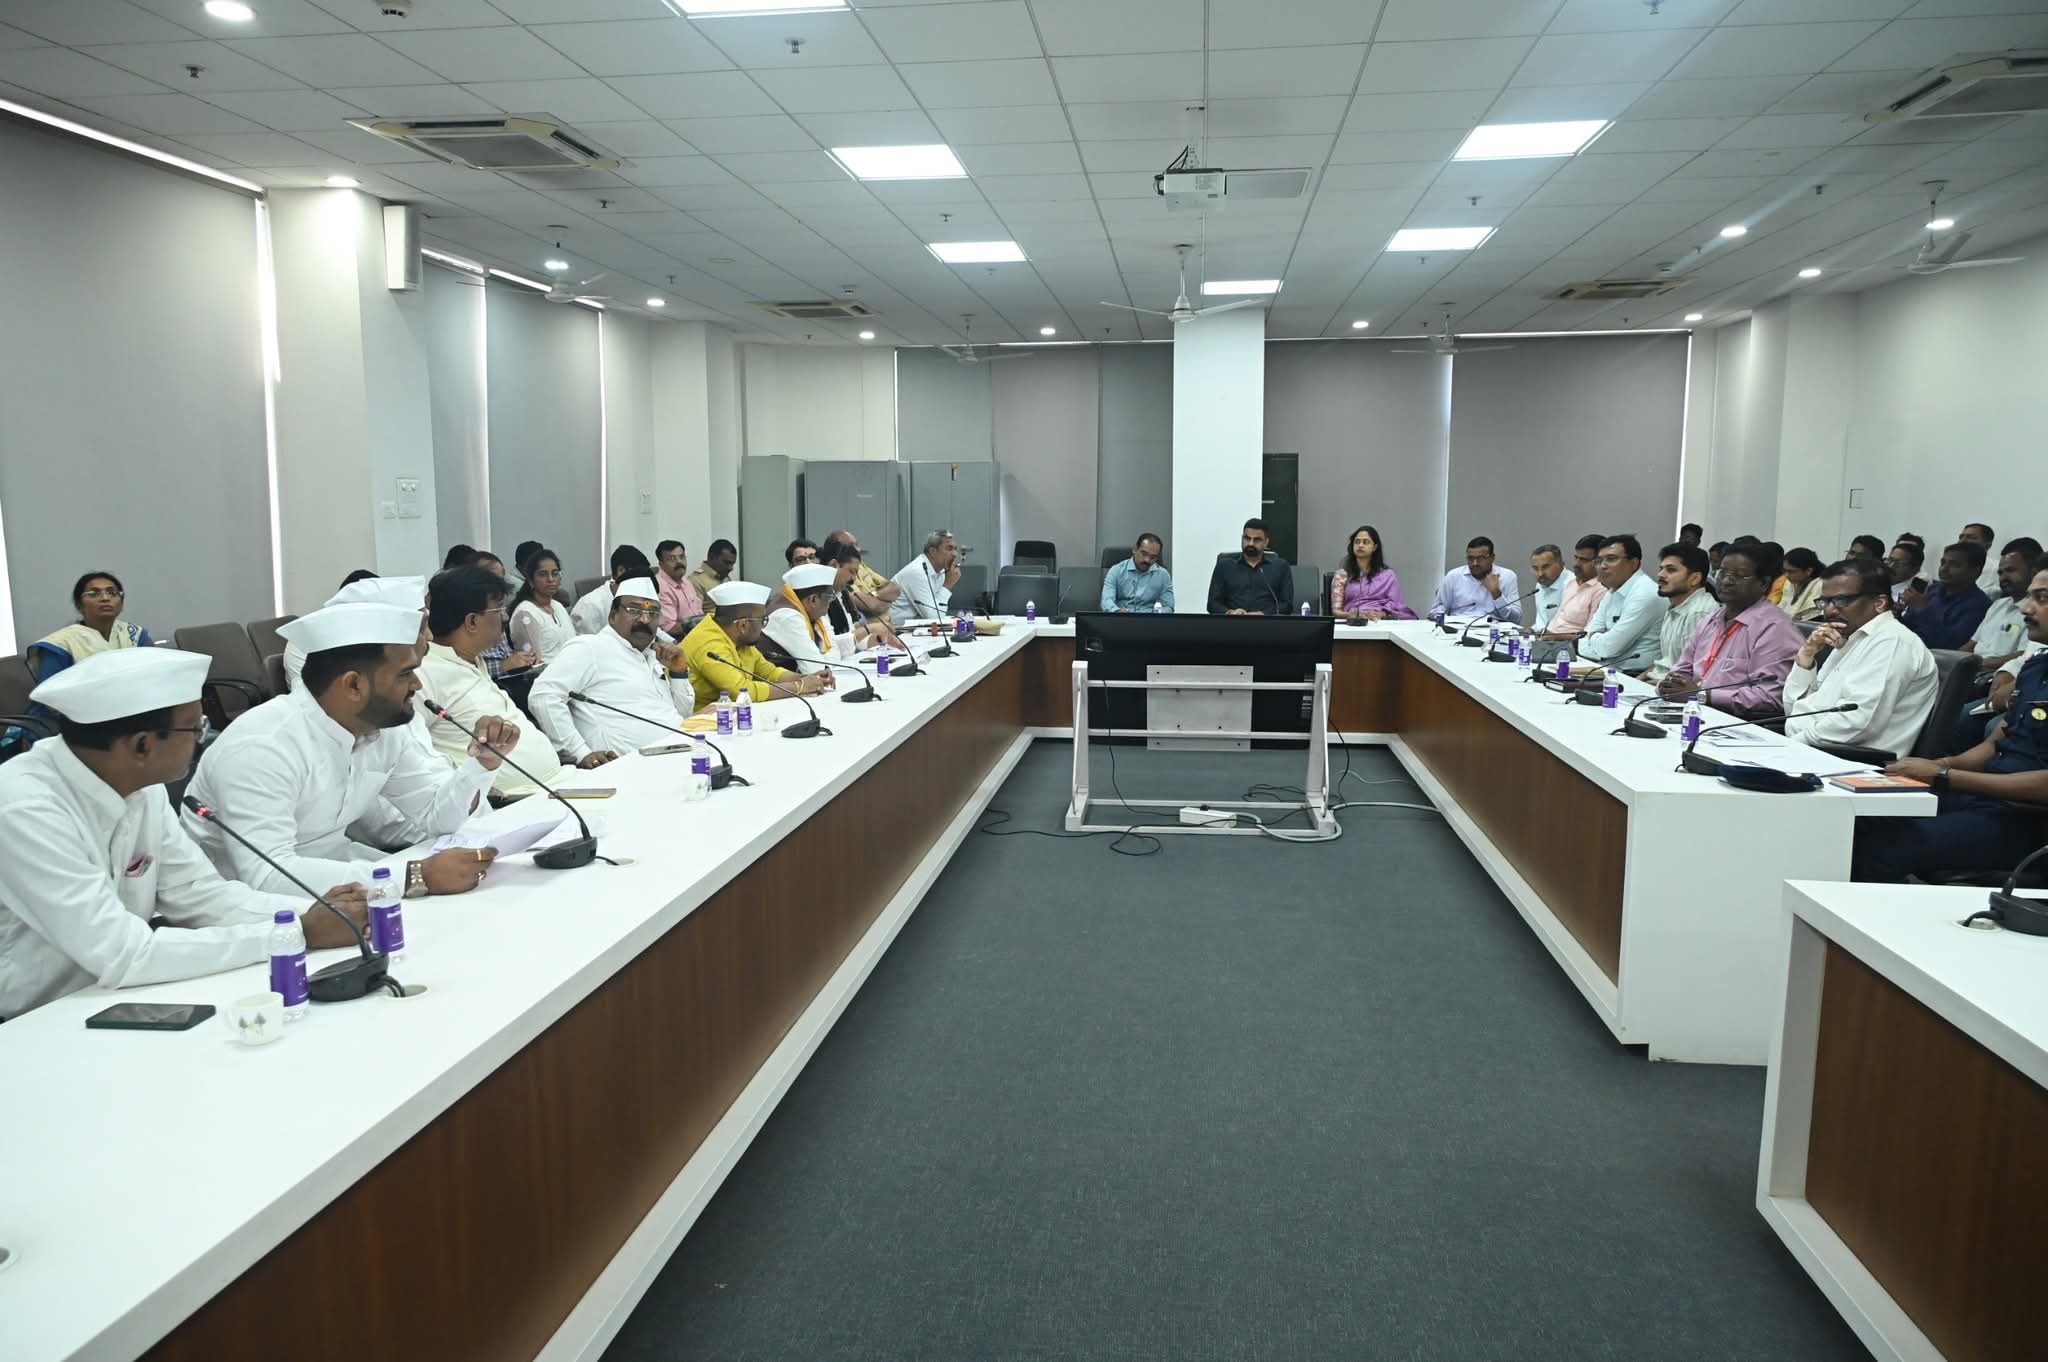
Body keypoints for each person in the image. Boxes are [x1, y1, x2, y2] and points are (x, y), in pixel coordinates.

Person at [0, 649, 372, 1019]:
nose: (202, 738)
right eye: (195, 728)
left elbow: (201, 896)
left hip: (117, 996)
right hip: (35, 1018)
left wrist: (322, 915)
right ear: (142, 745)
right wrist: (299, 932)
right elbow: (124, 954)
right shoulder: (25, 809)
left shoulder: (141, 787)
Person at [186, 603, 511, 898]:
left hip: (344, 878)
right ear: (354, 685)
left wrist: (481, 765)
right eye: (405, 674)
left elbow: (433, 818)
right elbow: (267, 874)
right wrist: (414, 876)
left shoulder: (383, 728)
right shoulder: (262, 746)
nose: (417, 684)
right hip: (253, 906)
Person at [1853, 560, 2048, 882]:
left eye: (2042, 598)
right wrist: (1939, 764)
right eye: (2030, 596)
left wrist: (1945, 776)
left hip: (2029, 820)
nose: (2026, 608)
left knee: (1880, 849)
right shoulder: (2036, 667)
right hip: (1987, 797)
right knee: (1860, 818)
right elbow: (1995, 743)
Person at [419, 565, 569, 795]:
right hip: (513, 802)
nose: (505, 617)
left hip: (558, 783)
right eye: (499, 610)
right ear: (471, 621)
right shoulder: (424, 674)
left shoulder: (472, 659)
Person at [1783, 558, 1939, 757]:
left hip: (1849, 762)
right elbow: (1794, 710)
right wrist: (1807, 655)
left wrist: (1790, 745)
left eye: (1841, 601)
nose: (1829, 610)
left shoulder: (1892, 642)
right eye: (1825, 602)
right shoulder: (1851, 637)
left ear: (1879, 603)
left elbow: (1857, 723)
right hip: (1812, 749)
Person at [529, 578, 683, 764]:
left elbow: (681, 715)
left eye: (653, 613)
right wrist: (579, 752)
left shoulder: (653, 657)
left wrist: (679, 674)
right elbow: (543, 696)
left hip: (679, 754)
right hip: (629, 767)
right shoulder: (590, 647)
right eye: (634, 610)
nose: (644, 619)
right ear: (613, 615)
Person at [1658, 543, 1803, 717]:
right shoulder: (1711, 620)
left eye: (1738, 575)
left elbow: (1770, 696)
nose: (1726, 581)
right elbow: (1682, 668)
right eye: (1723, 573)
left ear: (1763, 583)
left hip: (1736, 721)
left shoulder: (1775, 629)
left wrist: (1702, 696)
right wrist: (1670, 685)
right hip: (1694, 711)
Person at [683, 581, 828, 710]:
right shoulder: (709, 644)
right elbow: (741, 691)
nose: (763, 627)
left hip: (731, 714)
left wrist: (808, 678)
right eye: (762, 620)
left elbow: (770, 673)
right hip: (700, 721)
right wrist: (799, 687)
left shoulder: (739, 639)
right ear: (743, 625)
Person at [26, 572, 153, 691]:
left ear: (121, 603)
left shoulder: (136, 636)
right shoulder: (60, 644)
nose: (105, 598)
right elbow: (49, 695)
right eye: (93, 593)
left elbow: (154, 679)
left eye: (112, 593)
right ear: (79, 605)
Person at [1574, 535, 1665, 673]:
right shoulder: (1612, 591)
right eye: (1598, 561)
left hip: (1635, 675)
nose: (1602, 566)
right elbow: (1583, 641)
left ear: (1634, 563)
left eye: (1611, 559)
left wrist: (1593, 637)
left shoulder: (1645, 593)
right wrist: (1597, 640)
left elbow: (1609, 647)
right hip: (1606, 669)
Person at [1639, 543, 1718, 684]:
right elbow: (1667, 662)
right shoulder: (1676, 605)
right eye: (1661, 569)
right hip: (1659, 682)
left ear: (1695, 578)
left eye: (1671, 570)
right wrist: (1637, 681)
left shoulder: (1700, 612)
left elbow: (1692, 674)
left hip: (1673, 689)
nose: (1660, 575)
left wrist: (1648, 685)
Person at [1961, 538, 2044, 668]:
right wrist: (1951, 660)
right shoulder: (1998, 605)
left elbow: (2024, 655)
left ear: (2034, 571)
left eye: (2010, 570)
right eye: (2000, 573)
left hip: (1996, 673)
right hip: (1973, 669)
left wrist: (1975, 665)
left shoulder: (2037, 611)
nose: (2003, 577)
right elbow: (1972, 644)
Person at [1898, 541, 1990, 650]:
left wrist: (1923, 611)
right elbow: (1907, 627)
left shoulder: (1979, 605)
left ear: (1974, 572)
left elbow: (1951, 645)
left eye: (1954, 565)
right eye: (1943, 562)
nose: (1944, 569)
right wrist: (1896, 615)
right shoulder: (1932, 590)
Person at [761, 564, 844, 676]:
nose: (830, 604)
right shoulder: (787, 617)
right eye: (829, 597)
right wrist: (827, 661)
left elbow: (833, 649)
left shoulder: (810, 613)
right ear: (813, 600)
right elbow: (815, 669)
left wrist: (826, 660)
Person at [821, 540, 902, 651]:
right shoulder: (817, 598)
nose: (854, 579)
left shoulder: (839, 594)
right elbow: (828, 646)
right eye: (851, 571)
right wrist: (869, 629)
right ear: (834, 565)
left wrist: (879, 639)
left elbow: (853, 641)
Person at [1208, 519, 1295, 616]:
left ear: (1266, 542)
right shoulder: (1224, 566)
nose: (1251, 543)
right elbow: (1212, 603)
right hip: (1233, 622)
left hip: (1267, 622)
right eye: (1247, 538)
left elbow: (1287, 605)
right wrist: (1231, 612)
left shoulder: (1280, 567)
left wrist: (1263, 614)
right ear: (1242, 538)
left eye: (1257, 540)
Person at [1329, 525, 1415, 621]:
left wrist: (1381, 614)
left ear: (1374, 547)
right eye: (1357, 542)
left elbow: (1395, 604)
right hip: (1354, 623)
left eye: (1365, 542)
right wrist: (1351, 615)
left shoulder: (1388, 575)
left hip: (1381, 622)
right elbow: (1336, 611)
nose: (1360, 545)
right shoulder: (1342, 575)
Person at [1428, 536, 1520, 624]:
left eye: (1480, 558)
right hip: (1459, 628)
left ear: (1492, 558)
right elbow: (1435, 611)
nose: (1474, 563)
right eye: (1470, 558)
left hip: (1494, 629)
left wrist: (1496, 593)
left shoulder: (1507, 576)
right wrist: (1446, 621)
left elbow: (1516, 619)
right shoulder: (1453, 576)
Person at [509, 547, 576, 664]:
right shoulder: (525, 612)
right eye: (543, 574)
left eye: (555, 574)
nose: (550, 579)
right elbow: (535, 662)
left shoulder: (558, 606)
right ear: (531, 581)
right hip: (546, 673)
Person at [1535, 535, 1606, 641]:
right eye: (1576, 558)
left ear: (1599, 562)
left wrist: (1556, 637)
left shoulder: (1601, 590)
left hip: (1569, 647)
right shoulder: (1572, 583)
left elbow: (1590, 636)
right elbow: (1558, 620)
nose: (1577, 564)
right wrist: (1543, 633)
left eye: (1584, 560)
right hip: (1550, 642)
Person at [574, 545, 655, 636]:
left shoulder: (637, 597)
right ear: (621, 571)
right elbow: (588, 644)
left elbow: (653, 627)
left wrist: (669, 642)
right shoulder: (590, 606)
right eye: (639, 576)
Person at [823, 529, 903, 617]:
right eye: (852, 546)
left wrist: (873, 595)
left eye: (857, 544)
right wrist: (884, 599)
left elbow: (895, 589)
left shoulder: (859, 566)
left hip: (887, 623)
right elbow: (875, 607)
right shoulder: (839, 581)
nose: (858, 549)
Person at [891, 529, 960, 625]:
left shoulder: (941, 572)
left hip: (916, 626)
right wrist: (948, 585)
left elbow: (937, 612)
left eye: (955, 549)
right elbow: (934, 618)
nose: (955, 554)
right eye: (949, 548)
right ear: (933, 551)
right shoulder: (917, 571)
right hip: (894, 629)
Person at [1102, 533, 1175, 613]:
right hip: (1122, 617)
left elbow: (1169, 606)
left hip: (1150, 618)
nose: (1147, 560)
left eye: (1153, 557)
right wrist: (1117, 611)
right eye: (1144, 554)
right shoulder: (1116, 571)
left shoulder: (1163, 575)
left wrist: (1157, 614)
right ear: (1135, 549)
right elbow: (1106, 601)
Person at [654, 539, 705, 636]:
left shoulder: (686, 582)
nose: (679, 562)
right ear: (661, 564)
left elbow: (698, 614)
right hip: (679, 639)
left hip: (697, 633)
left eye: (682, 557)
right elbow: (669, 628)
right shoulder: (659, 586)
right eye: (672, 558)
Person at [1779, 547, 1825, 622]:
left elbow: (1820, 611)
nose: (1786, 575)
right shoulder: (1790, 583)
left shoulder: (1822, 585)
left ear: (1808, 571)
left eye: (1791, 571)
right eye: (1784, 571)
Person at [1528, 545, 1566, 631]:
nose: (1540, 574)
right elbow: (1543, 621)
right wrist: (1533, 629)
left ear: (1561, 565)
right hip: (1541, 637)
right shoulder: (1540, 585)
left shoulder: (1572, 585)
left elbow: (1570, 625)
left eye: (1545, 567)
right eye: (1535, 568)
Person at [688, 539, 737, 604]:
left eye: (732, 564)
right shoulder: (695, 581)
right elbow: (695, 609)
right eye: (727, 563)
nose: (731, 568)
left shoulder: (725, 577)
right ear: (712, 557)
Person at [1960, 521, 2000, 595]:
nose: (1962, 541)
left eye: (1971, 537)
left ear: (1987, 545)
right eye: (1961, 537)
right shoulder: (1950, 566)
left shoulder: (1997, 569)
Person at [1884, 538, 1924, 605]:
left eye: (1899, 563)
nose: (1891, 566)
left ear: (1915, 569)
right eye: (1890, 560)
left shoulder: (1916, 595)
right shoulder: (1876, 583)